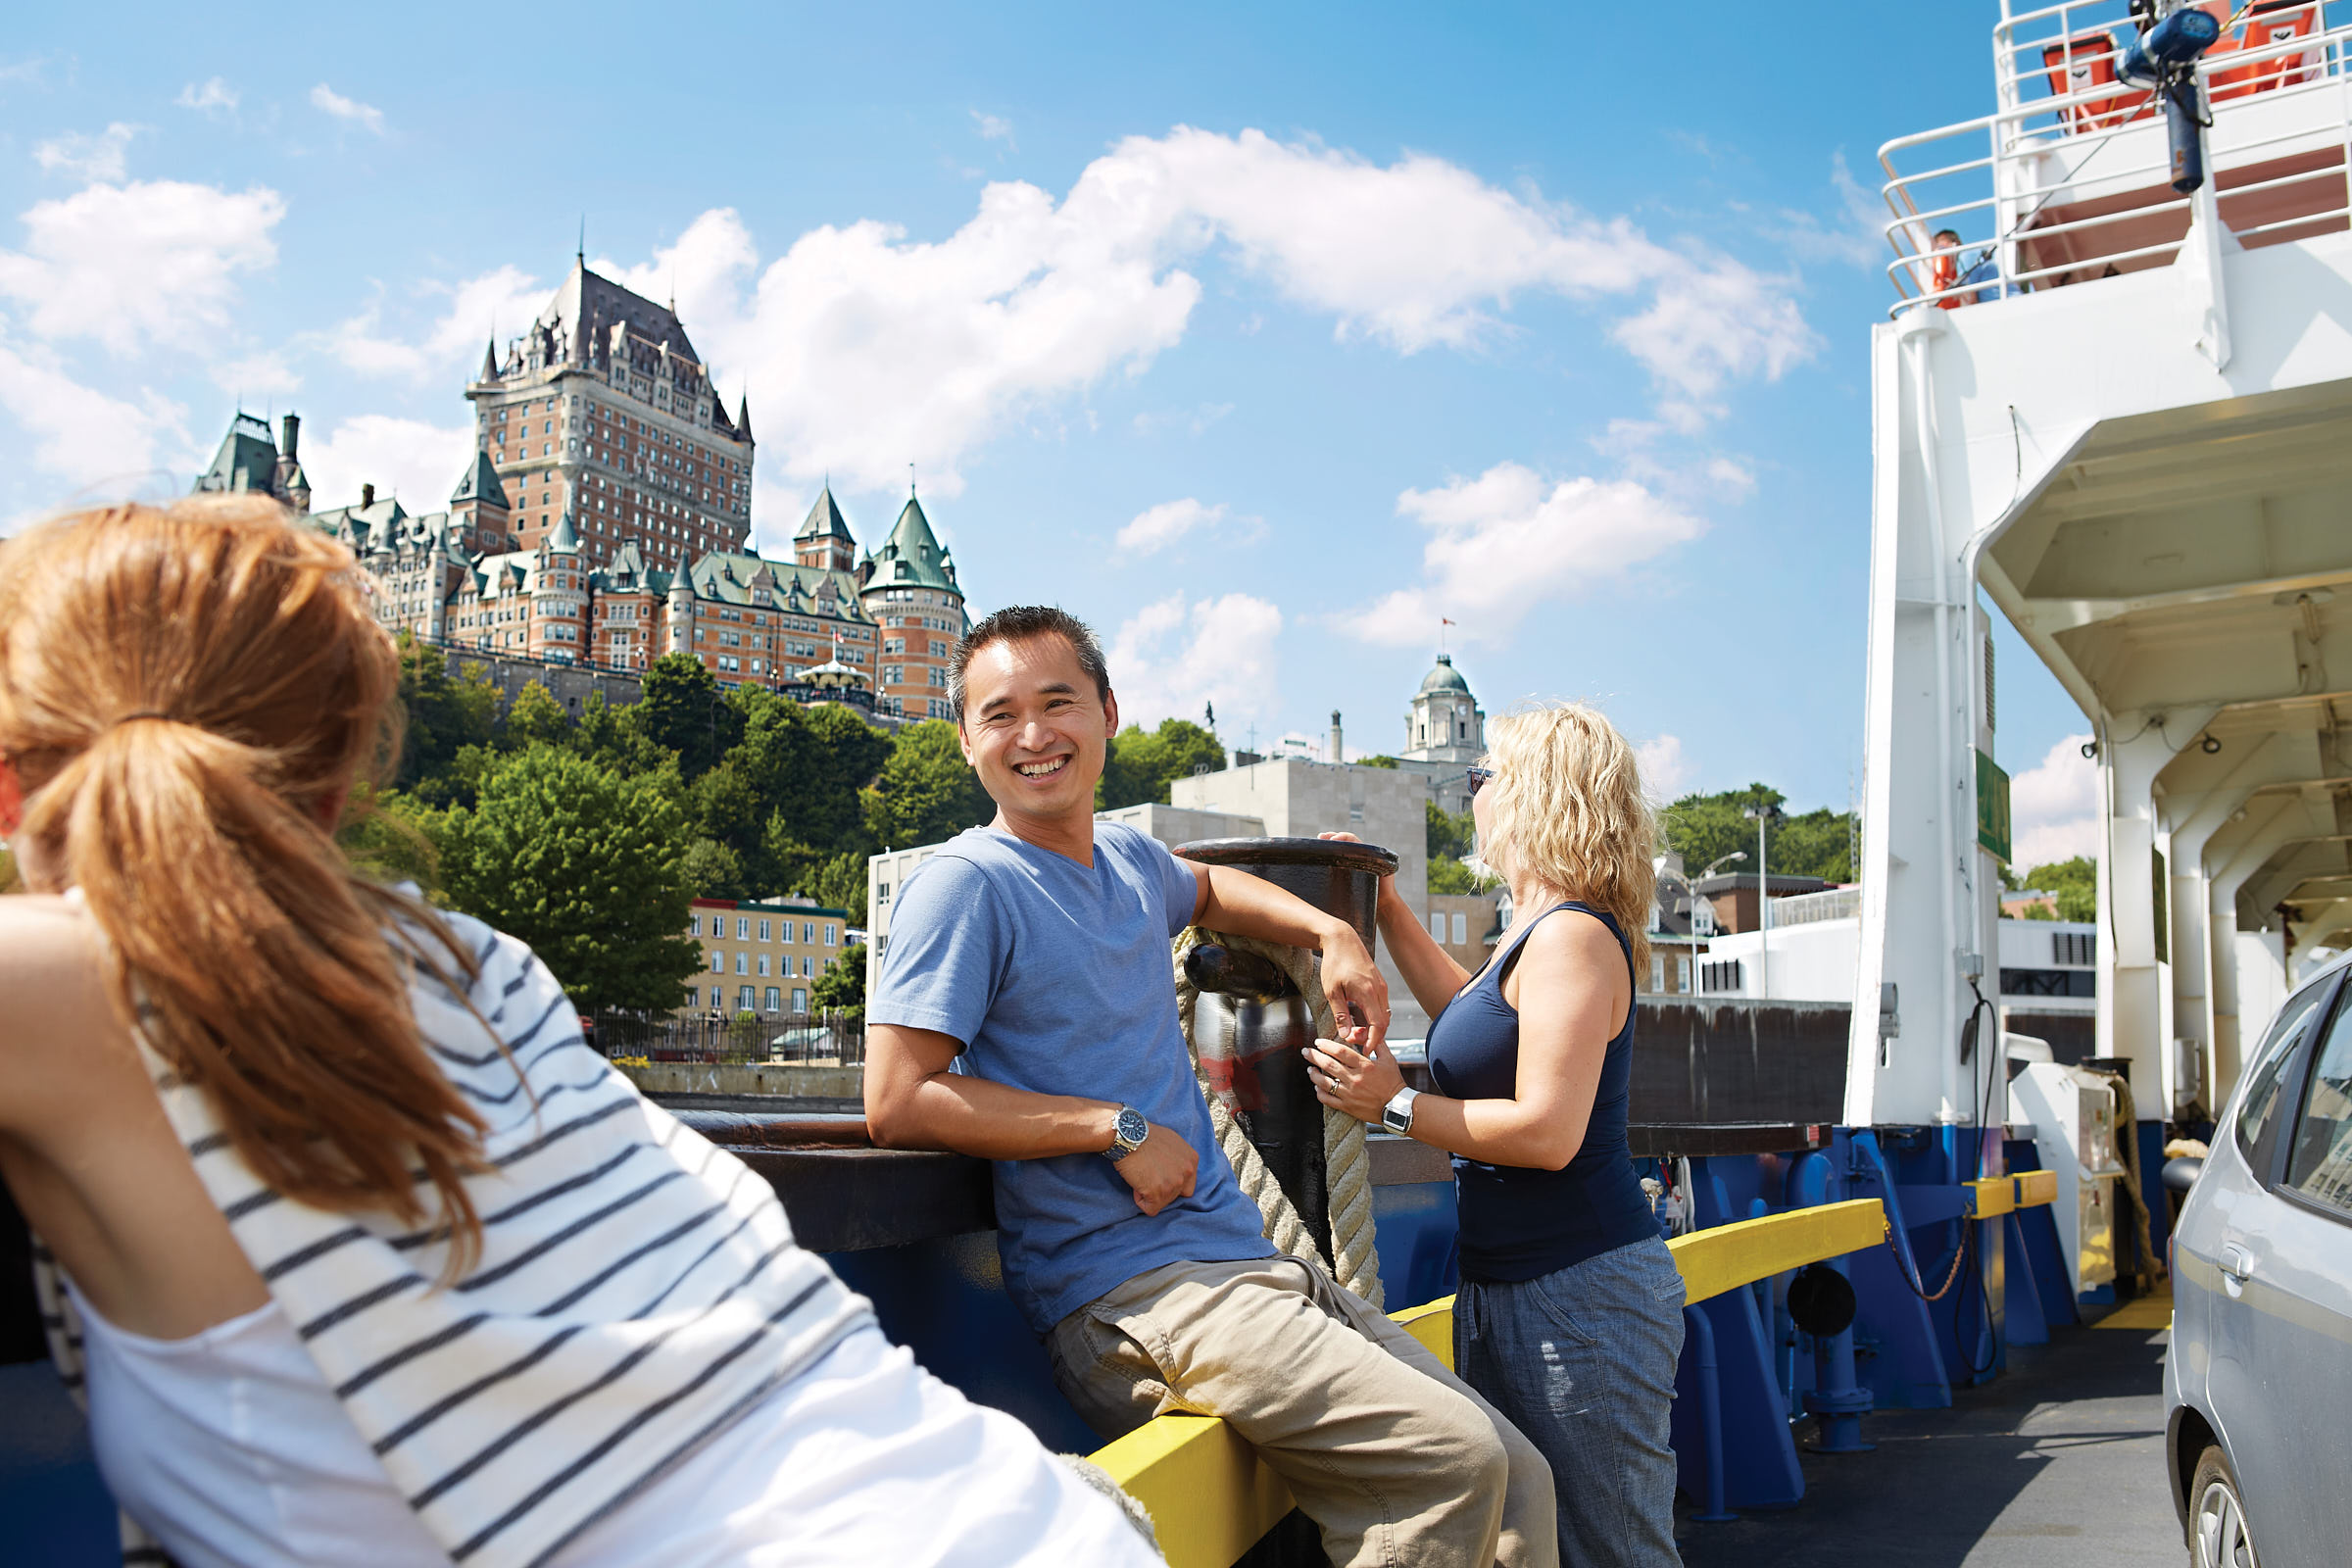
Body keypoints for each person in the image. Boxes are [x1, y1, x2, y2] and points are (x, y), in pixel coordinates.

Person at [0, 499, 1158, 1568]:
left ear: (12, 788)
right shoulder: (478, 961)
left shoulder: (76, 987)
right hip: (1008, 1516)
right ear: (341, 784)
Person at [864, 605, 1556, 1568]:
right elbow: (897, 1098)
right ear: (966, 739)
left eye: (1058, 703)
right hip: (1131, 1293)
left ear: (1107, 711)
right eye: (1000, 713)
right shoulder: (968, 883)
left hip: (1248, 1268)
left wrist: (1333, 935)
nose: (1033, 736)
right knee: (1451, 1461)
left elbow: (1215, 890)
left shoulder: (1125, 860)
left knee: (1522, 1476)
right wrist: (1114, 1127)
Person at [1306, 704, 1686, 1568]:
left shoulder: (1574, 937)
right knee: (1532, 1542)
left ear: (1536, 796)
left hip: (1579, 1297)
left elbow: (1548, 1134)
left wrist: (1391, 1104)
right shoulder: (1533, 936)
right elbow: (1471, 1026)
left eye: (1486, 778)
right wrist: (1390, 909)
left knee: (1610, 1549)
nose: (1473, 793)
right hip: (1516, 1287)